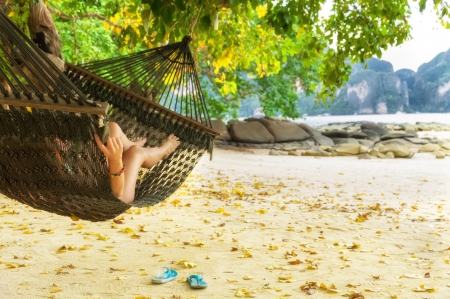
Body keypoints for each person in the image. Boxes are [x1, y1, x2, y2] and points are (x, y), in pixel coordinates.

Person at [94, 122, 180, 203]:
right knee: (136, 152)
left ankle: (130, 145)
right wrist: (116, 161)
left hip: (102, 171)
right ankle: (164, 150)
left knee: (113, 127)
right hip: (112, 197)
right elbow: (117, 192)